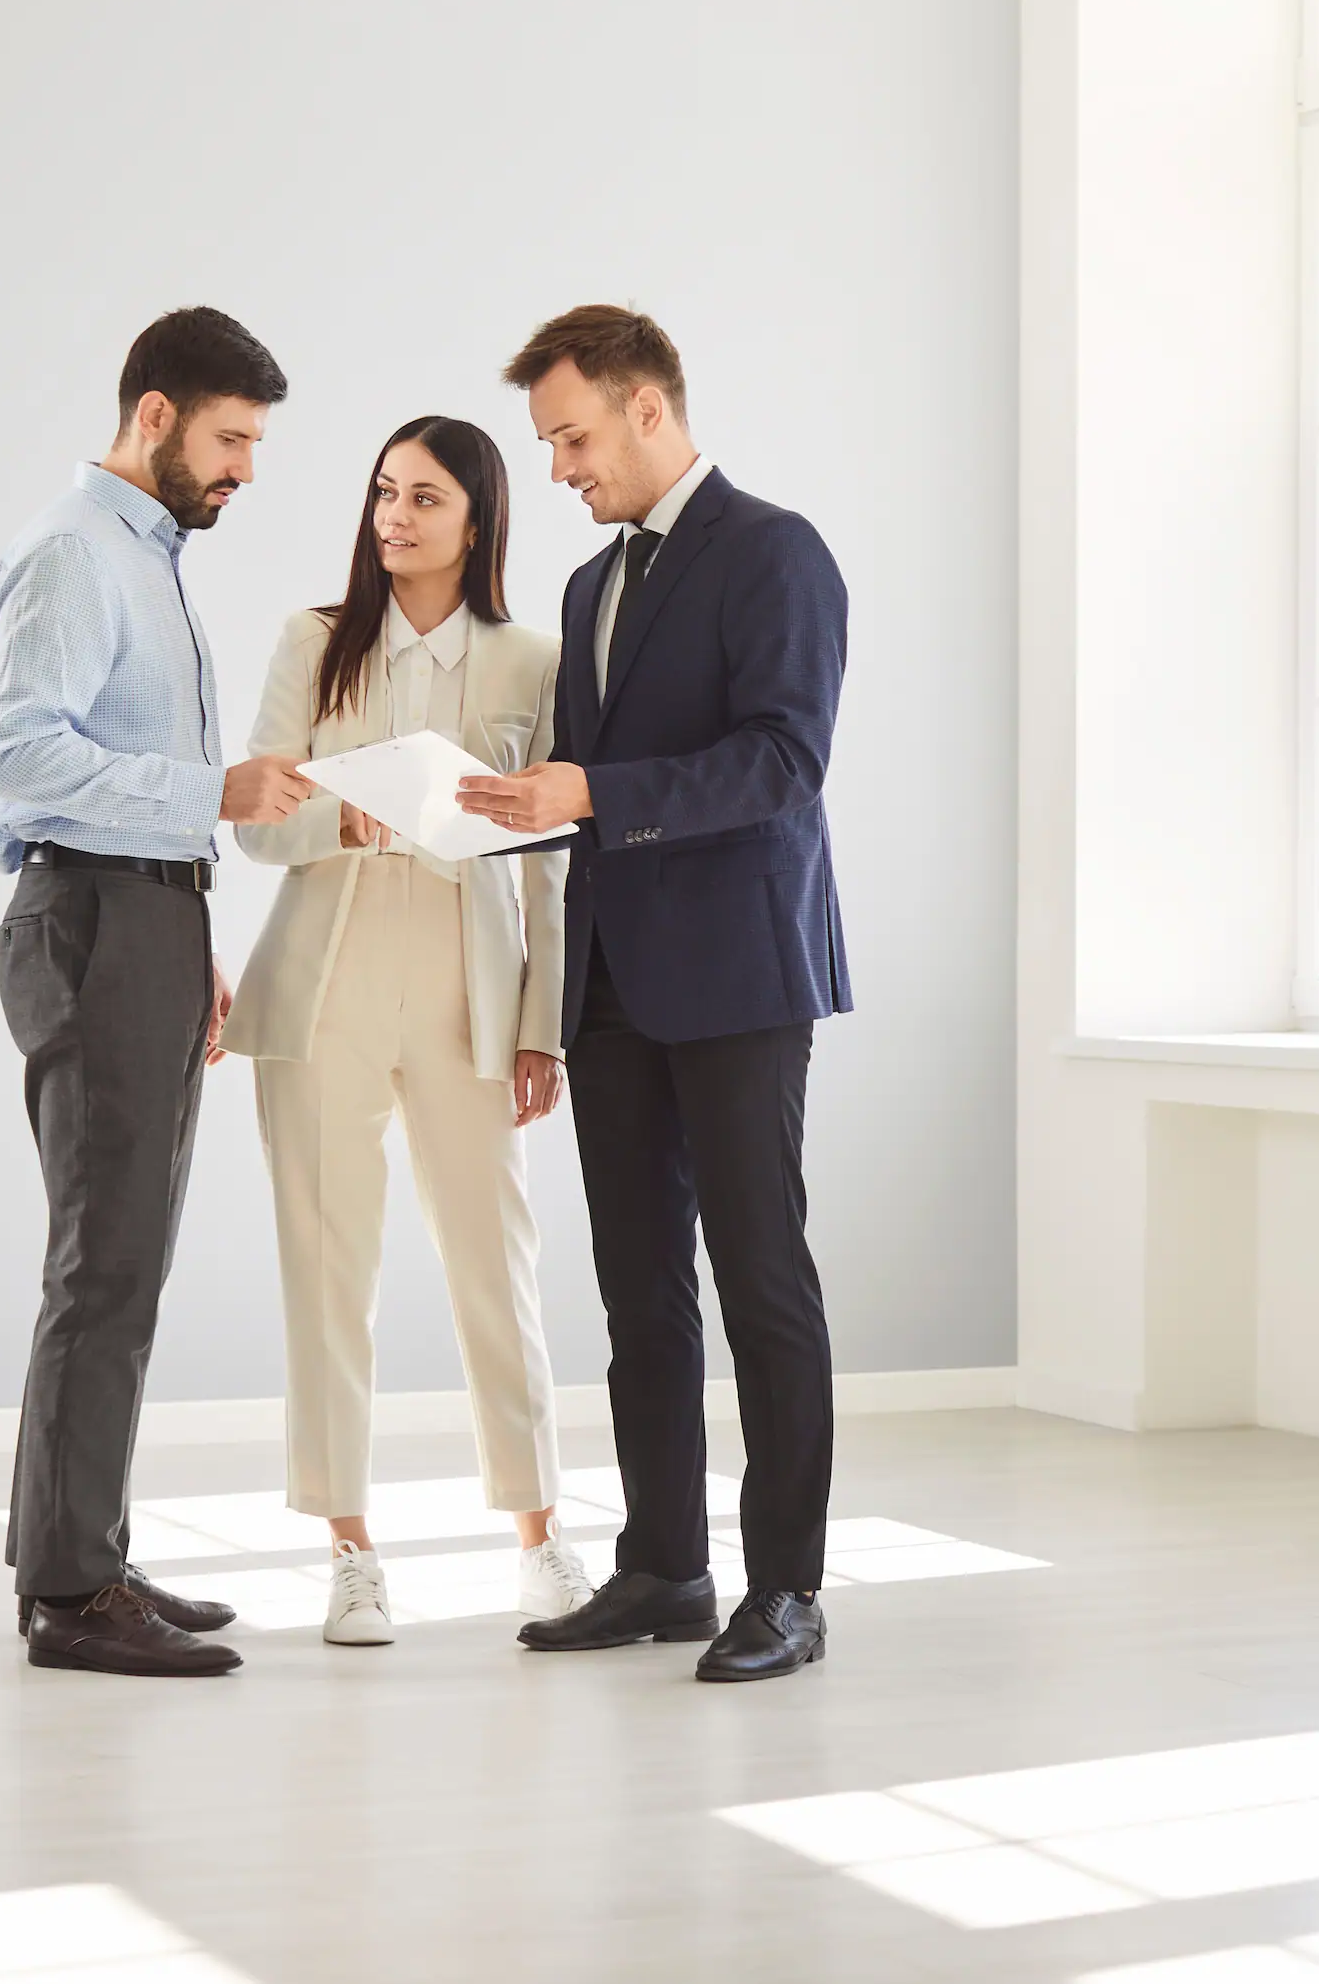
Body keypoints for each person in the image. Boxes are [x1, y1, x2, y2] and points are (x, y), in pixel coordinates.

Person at [461, 304, 850, 1683]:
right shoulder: (587, 588)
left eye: (570, 436)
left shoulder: (775, 553)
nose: (560, 468)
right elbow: (585, 784)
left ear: (645, 407)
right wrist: (483, 813)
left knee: (759, 1281)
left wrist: (595, 793)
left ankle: (787, 1589)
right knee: (638, 1289)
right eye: (548, 444)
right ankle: (666, 1565)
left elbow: (782, 763)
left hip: (742, 971)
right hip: (613, 982)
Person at [0, 306, 315, 1677]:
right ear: (156, 415)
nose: (244, 469)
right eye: (231, 440)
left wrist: (189, 932)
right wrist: (210, 800)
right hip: (94, 922)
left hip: (145, 924)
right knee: (104, 1259)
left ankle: (77, 1554)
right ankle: (70, 1592)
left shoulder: (147, 557)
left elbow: (118, 777)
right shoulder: (74, 553)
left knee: (123, 1256)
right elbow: (24, 760)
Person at [222, 415, 595, 1645]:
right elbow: (260, 822)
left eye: (424, 498)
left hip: (465, 994)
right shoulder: (313, 642)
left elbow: (548, 864)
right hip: (323, 985)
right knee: (329, 1274)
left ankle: (540, 1536)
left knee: (499, 1267)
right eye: (384, 492)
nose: (395, 515)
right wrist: (355, 819)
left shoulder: (531, 664)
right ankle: (349, 1551)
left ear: (477, 518)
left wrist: (542, 1027)